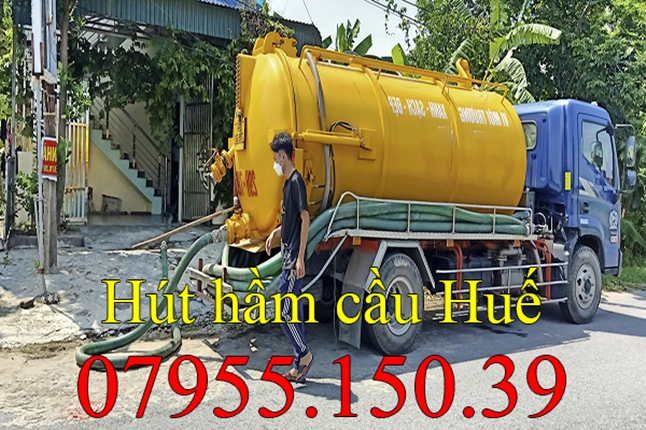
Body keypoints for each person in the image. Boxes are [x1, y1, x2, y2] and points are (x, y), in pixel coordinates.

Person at [265, 132, 314, 383]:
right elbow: (291, 219)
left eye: (275, 157)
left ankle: (305, 355)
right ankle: (297, 366)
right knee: (294, 314)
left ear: (283, 157)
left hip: (293, 260)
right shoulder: (287, 184)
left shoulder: (296, 182)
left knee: (284, 314)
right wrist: (276, 233)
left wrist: (300, 258)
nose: (274, 162)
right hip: (287, 257)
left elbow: (305, 218)